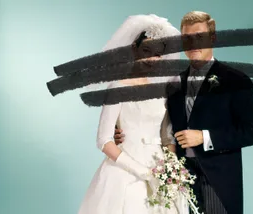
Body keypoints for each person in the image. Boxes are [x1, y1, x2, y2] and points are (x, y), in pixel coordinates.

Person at [114, 11, 253, 214]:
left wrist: (204, 137)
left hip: (219, 181)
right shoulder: (173, 83)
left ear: (212, 38)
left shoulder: (236, 80)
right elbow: (161, 125)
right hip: (180, 180)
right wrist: (123, 129)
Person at [78, 14, 188, 214]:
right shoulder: (117, 87)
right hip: (126, 168)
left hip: (159, 166)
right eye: (146, 51)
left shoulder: (163, 91)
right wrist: (143, 172)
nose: (151, 59)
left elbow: (167, 135)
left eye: (157, 54)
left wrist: (169, 168)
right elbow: (104, 140)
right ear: (133, 49)